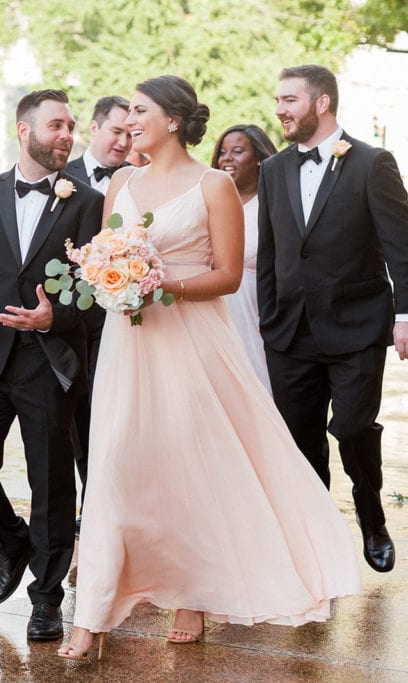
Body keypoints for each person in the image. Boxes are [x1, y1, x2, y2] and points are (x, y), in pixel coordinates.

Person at [59, 75, 360, 661]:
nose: (128, 123)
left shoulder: (213, 183)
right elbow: (100, 257)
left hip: (190, 343)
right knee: (116, 462)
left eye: (139, 112)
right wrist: (110, 279)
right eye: (125, 115)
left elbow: (226, 274)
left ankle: (191, 593)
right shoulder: (121, 180)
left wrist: (157, 282)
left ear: (171, 120)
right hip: (128, 346)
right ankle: (90, 616)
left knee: (187, 467)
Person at [0, 89, 103, 641]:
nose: (67, 135)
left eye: (71, 126)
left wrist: (51, 317)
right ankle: (11, 541)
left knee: (52, 483)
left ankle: (47, 597)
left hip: (49, 361)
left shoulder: (85, 201)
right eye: (56, 125)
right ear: (24, 129)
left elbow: (93, 287)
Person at [258, 64, 408, 574]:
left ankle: (371, 515)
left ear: (321, 103)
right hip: (290, 332)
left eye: (289, 100)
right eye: (278, 100)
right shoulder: (273, 170)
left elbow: (399, 247)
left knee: (351, 427)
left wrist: (404, 315)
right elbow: (274, 252)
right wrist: (268, 319)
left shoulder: (372, 163)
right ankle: (316, 535)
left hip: (357, 327)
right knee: (299, 441)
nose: (280, 109)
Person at [64, 94, 132, 533]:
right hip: (71, 321)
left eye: (131, 133)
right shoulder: (60, 176)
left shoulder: (139, 180)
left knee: (114, 421)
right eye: (116, 131)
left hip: (123, 319)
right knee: (76, 421)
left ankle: (101, 509)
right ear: (94, 127)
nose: (124, 141)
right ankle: (87, 506)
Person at [211, 124, 277, 390]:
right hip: (210, 319)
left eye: (237, 151)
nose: (227, 158)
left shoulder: (271, 206)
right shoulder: (207, 204)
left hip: (256, 321)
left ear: (260, 158)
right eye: (223, 152)